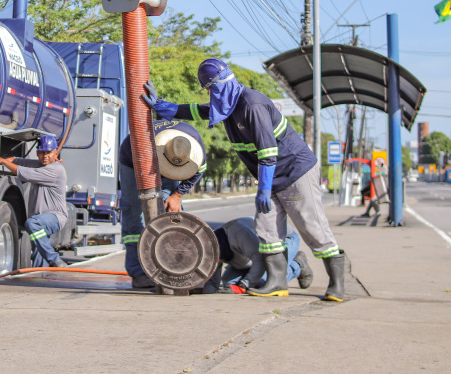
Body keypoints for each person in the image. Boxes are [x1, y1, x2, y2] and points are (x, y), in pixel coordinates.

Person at [142, 58, 346, 302]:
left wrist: (264, 189)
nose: (209, 95)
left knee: (310, 225)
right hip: (269, 175)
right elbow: (198, 111)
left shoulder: (252, 104)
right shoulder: (228, 105)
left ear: (216, 87)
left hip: (294, 171)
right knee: (267, 228)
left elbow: (268, 151)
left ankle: (337, 283)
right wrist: (164, 106)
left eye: (209, 90)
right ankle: (277, 281)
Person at [118, 119, 207, 288]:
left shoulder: (194, 147)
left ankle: (175, 267)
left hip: (166, 158)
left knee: (171, 214)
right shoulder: (143, 146)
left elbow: (199, 172)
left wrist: (177, 195)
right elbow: (147, 196)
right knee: (135, 214)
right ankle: (138, 272)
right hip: (134, 161)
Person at [0, 135, 68, 268]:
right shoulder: (40, 165)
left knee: (32, 224)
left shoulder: (56, 170)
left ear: (55, 153)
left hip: (54, 217)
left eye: (48, 152)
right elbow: (25, 163)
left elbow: (25, 173)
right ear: (37, 153)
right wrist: (13, 159)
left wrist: (3, 161)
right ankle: (39, 276)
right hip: (41, 218)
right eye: (42, 152)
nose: (45, 156)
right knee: (38, 251)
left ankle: (54, 260)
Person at [201, 217, 313, 294]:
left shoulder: (241, 234)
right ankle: (253, 277)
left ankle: (298, 265)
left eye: (218, 261)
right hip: (251, 254)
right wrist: (210, 289)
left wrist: (245, 285)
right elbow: (215, 268)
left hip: (282, 240)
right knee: (229, 283)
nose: (217, 264)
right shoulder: (215, 241)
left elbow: (259, 260)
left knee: (266, 281)